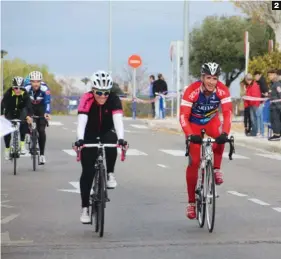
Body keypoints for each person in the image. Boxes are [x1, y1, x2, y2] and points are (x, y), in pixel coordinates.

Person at [74, 70, 128, 224]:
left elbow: (118, 120)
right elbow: (81, 122)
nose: (102, 96)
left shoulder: (114, 99)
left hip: (106, 130)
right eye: (99, 92)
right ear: (92, 90)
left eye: (106, 93)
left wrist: (122, 138)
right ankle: (85, 207)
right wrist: (80, 140)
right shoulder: (86, 98)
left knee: (113, 140)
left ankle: (110, 173)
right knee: (88, 171)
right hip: (89, 133)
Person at [179, 62, 232, 220]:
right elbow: (183, 116)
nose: (211, 82)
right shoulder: (192, 91)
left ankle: (216, 169)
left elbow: (228, 114)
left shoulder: (222, 90)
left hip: (211, 121)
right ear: (202, 78)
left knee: (220, 137)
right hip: (194, 123)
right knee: (194, 162)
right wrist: (189, 135)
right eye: (208, 78)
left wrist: (226, 132)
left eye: (214, 78)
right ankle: (191, 203)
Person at [1, 76, 33, 159]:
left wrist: (29, 116)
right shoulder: (8, 93)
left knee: (24, 121)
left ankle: (22, 145)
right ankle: (7, 149)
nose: (18, 90)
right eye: (16, 88)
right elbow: (2, 105)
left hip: (21, 112)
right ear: (12, 87)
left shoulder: (25, 94)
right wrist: (1, 114)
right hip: (10, 112)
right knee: (7, 129)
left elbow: (29, 106)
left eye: (20, 88)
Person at [24, 71, 51, 164]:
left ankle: (42, 155)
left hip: (41, 108)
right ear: (30, 82)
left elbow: (47, 102)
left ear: (40, 82)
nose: (35, 84)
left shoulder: (45, 89)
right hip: (30, 106)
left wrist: (47, 113)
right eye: (33, 81)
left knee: (41, 130)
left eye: (37, 81)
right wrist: (26, 115)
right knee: (26, 118)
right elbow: (23, 103)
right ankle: (28, 132)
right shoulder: (26, 88)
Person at [267, 69, 281, 141]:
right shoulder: (273, 84)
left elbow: (280, 94)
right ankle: (276, 133)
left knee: (276, 120)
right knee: (274, 120)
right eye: (268, 75)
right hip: (273, 105)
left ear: (274, 75)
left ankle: (277, 135)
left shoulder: (277, 84)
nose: (269, 76)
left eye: (270, 75)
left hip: (276, 106)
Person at [254, 71, 269, 137]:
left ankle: (261, 132)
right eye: (255, 76)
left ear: (260, 75)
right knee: (258, 116)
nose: (256, 77)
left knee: (260, 116)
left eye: (257, 76)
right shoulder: (258, 82)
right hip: (258, 102)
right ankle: (259, 131)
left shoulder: (262, 81)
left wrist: (263, 100)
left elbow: (266, 92)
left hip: (262, 102)